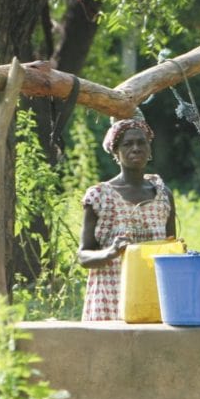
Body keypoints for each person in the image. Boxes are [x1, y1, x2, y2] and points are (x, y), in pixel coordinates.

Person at [78, 116, 176, 321]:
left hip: (152, 295)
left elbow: (171, 248)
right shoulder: (99, 196)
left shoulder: (163, 195)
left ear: (149, 150)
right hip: (110, 297)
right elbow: (83, 257)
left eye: (141, 142)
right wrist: (110, 252)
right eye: (127, 144)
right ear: (116, 152)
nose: (136, 148)